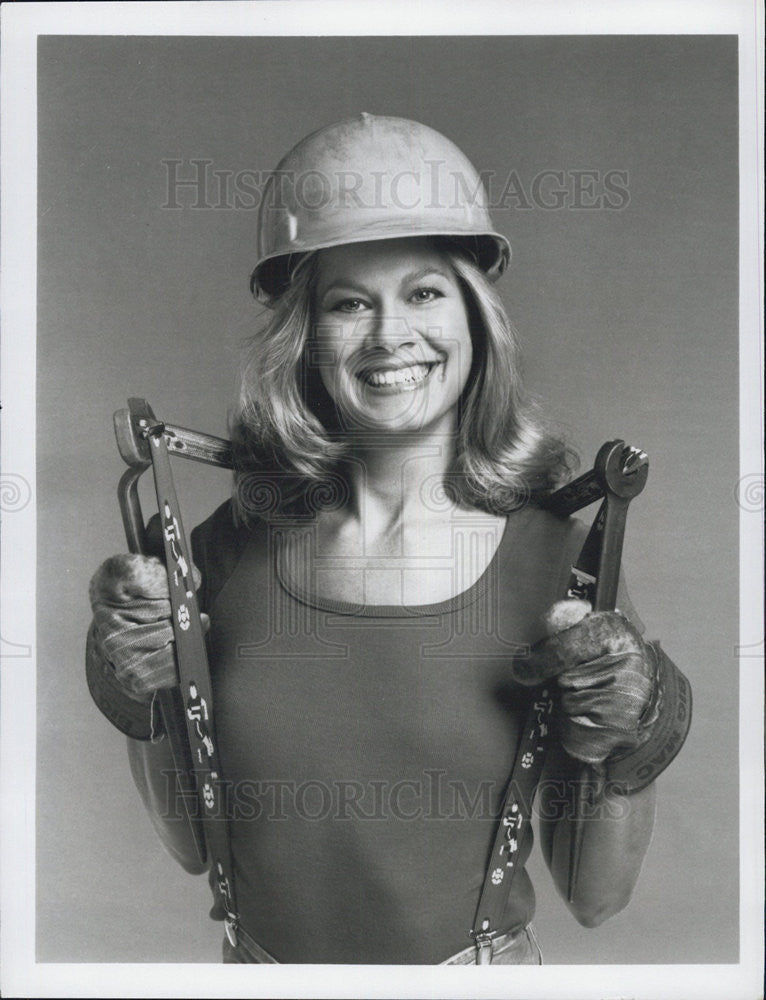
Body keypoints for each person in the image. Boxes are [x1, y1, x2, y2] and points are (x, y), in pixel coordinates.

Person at [86, 113, 691, 965]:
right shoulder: (218, 550)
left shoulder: (562, 566)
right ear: (305, 336)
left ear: (476, 319)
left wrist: (622, 740)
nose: (388, 335)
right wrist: (141, 697)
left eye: (424, 292)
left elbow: (598, 897)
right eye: (348, 303)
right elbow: (194, 850)